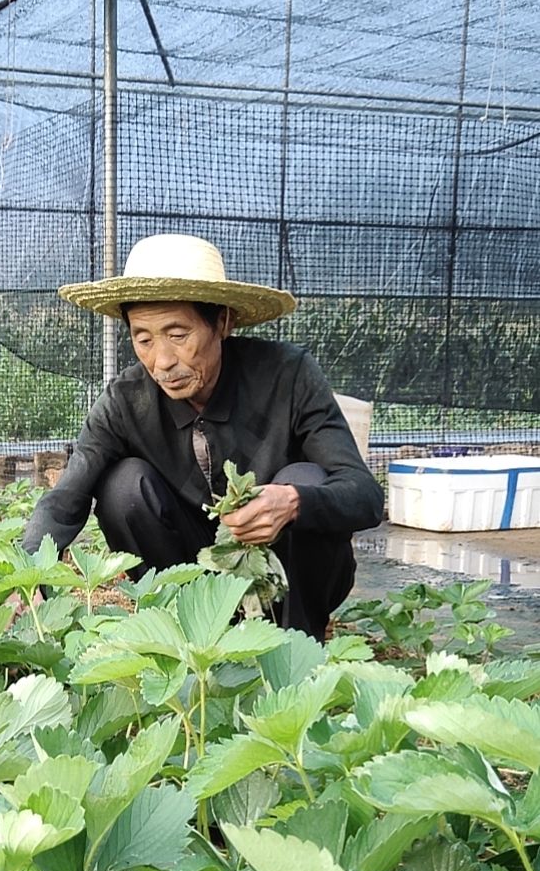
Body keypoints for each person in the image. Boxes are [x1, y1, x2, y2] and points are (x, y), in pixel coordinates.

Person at [21, 234, 384, 640]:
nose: (162, 361)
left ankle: (296, 643)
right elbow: (66, 498)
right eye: (143, 339)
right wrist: (27, 578)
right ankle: (185, 630)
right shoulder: (126, 401)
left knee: (306, 480)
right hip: (192, 572)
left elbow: (365, 497)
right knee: (123, 486)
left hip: (287, 576)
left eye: (178, 335)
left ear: (222, 322)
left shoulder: (288, 376)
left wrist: (294, 503)